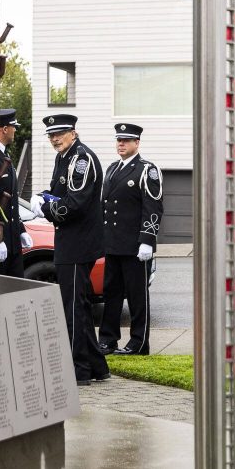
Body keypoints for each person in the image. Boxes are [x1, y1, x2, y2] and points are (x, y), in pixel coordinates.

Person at [38, 113, 109, 385]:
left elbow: (75, 202)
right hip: (70, 241)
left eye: (60, 133)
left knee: (74, 309)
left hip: (79, 243)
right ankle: (97, 367)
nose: (55, 139)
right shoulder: (64, 157)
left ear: (73, 132)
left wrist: (46, 209)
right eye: (51, 135)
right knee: (78, 305)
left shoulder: (81, 159)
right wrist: (46, 197)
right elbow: (62, 192)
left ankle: (79, 371)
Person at [98, 123, 164, 356]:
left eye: (126, 140)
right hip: (113, 244)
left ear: (137, 143)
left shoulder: (147, 170)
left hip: (136, 246)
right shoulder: (112, 169)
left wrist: (147, 239)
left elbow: (153, 206)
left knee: (137, 296)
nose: (121, 144)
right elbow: (105, 206)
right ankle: (107, 339)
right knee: (111, 293)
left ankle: (138, 342)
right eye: (118, 140)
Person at [0, 108, 30, 276]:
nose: (15, 130)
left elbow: (11, 202)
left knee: (15, 292)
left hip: (12, 239)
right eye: (13, 126)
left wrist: (21, 229)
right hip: (1, 239)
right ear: (4, 129)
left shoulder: (5, 156)